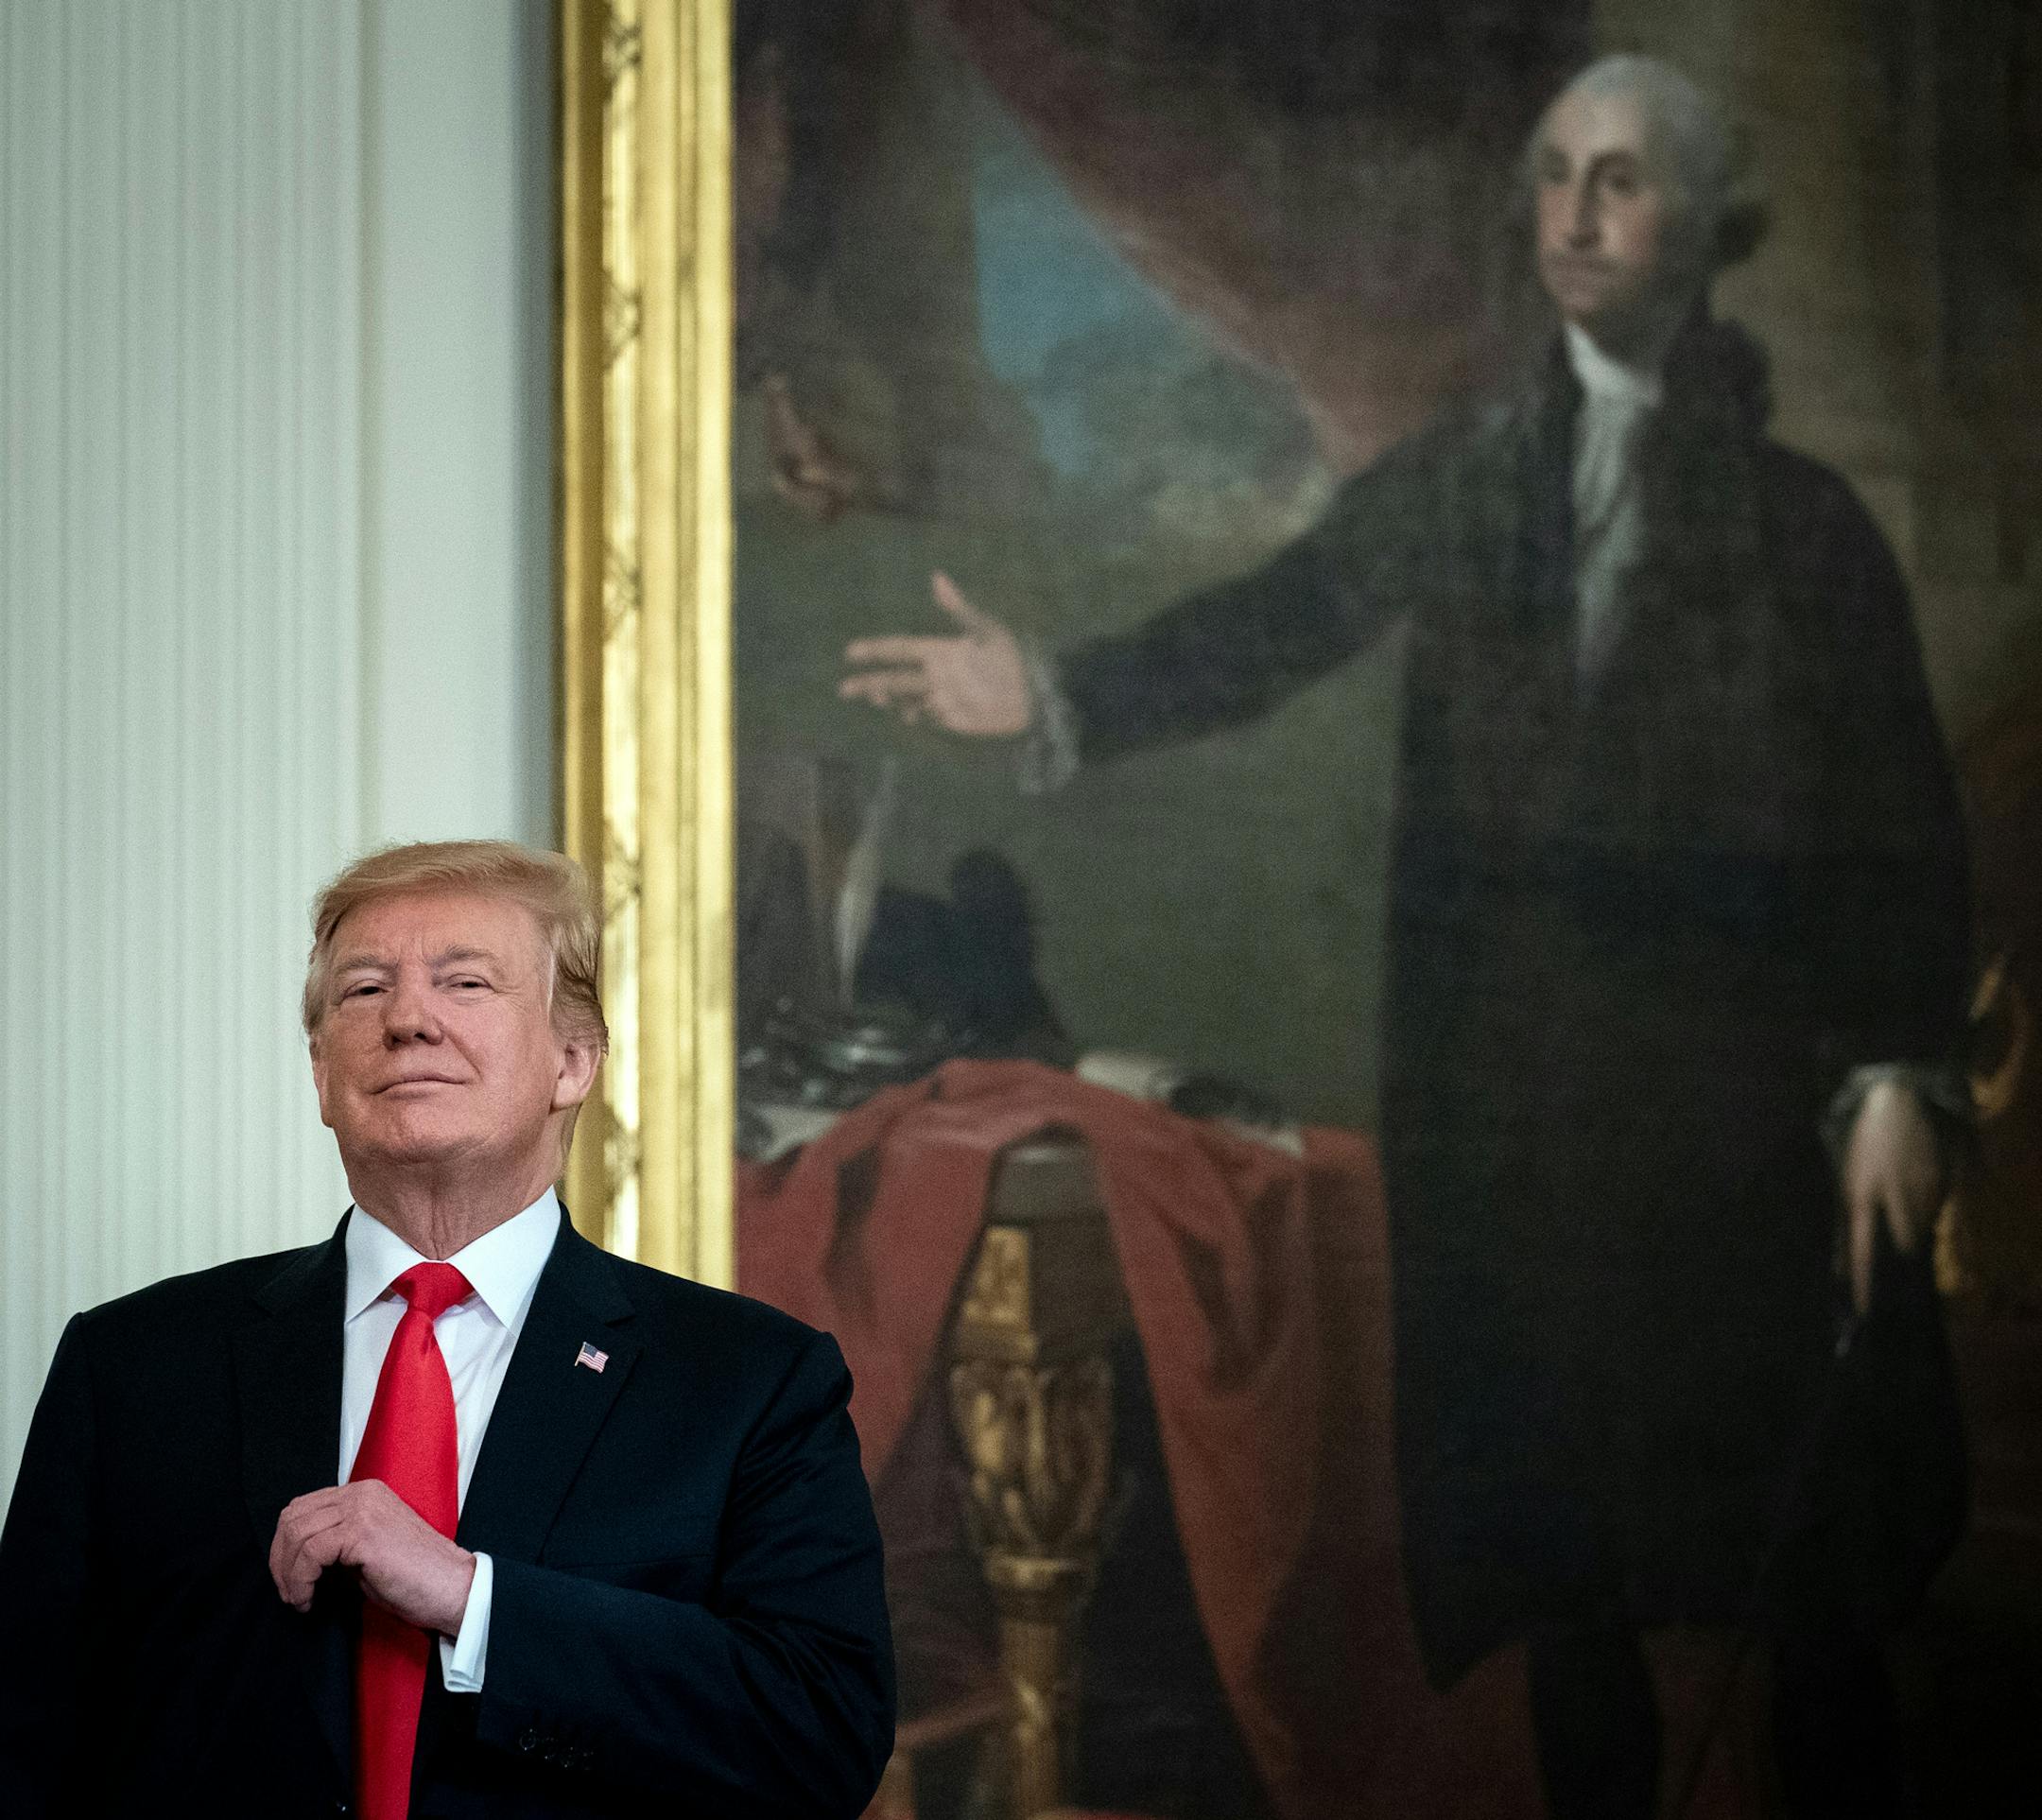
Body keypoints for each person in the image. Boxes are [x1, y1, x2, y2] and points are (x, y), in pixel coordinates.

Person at [841, 56, 1969, 1820]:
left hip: (1729, 1121)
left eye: (1624, 181)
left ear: (1703, 232)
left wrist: (1900, 1068)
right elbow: (1280, 620)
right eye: (1557, 177)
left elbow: (1903, 829)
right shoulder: (1474, 476)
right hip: (1520, 1107)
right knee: (1567, 1579)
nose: (1579, 214)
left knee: (1792, 1574)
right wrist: (1051, 690)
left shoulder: (1806, 529)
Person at [0, 840, 894, 1818]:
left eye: (464, 981)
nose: (409, 1019)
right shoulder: (130, 1363)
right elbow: (27, 1741)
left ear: (572, 1061)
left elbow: (820, 1734)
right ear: (320, 1069)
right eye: (363, 990)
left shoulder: (751, 1378)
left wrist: (479, 1600)